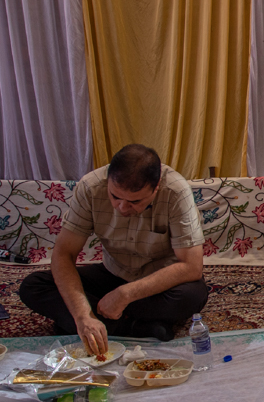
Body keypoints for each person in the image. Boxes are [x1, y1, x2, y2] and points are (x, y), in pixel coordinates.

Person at [19, 144, 207, 353]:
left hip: (158, 281)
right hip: (114, 272)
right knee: (33, 286)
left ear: (156, 188)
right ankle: (139, 328)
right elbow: (64, 253)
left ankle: (92, 323)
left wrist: (125, 295)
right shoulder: (90, 186)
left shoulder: (176, 190)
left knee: (193, 295)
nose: (123, 208)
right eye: (115, 197)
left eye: (135, 201)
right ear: (108, 180)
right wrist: (83, 315)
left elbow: (191, 266)